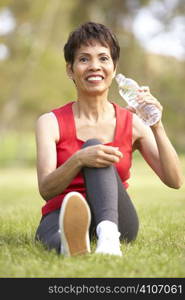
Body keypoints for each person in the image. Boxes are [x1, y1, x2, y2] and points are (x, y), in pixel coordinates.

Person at [35, 22, 183, 257]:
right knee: (55, 237)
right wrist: (79, 159)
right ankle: (70, 242)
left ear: (114, 68)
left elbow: (175, 180)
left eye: (103, 58)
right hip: (61, 211)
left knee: (95, 147)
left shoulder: (132, 122)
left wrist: (157, 125)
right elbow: (46, 189)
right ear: (70, 70)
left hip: (118, 220)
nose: (95, 66)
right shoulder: (50, 122)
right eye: (84, 59)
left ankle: (108, 237)